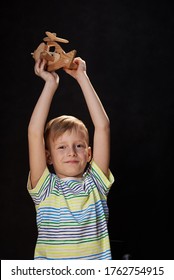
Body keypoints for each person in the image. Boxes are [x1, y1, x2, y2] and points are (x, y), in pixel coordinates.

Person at [27, 56, 115, 260]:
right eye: (62, 147)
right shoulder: (45, 187)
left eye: (79, 145)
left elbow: (103, 127)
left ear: (89, 153)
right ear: (47, 156)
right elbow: (34, 132)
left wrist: (82, 76)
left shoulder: (96, 184)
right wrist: (50, 84)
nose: (71, 152)